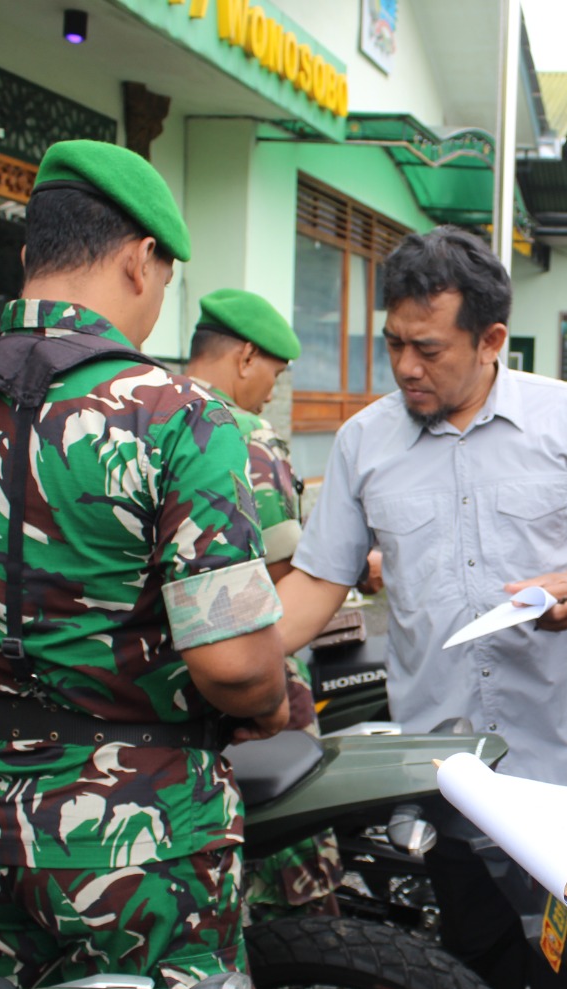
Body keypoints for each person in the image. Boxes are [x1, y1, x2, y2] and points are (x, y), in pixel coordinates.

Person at [0, 139, 288, 989]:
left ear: (29, 259)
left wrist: (13, 693)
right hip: (145, 829)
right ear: (139, 261)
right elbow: (234, 663)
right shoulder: (182, 419)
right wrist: (270, 700)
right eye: (166, 281)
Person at [275, 225, 567, 989]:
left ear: (489, 342)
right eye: (394, 344)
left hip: (566, 759)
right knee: (467, 972)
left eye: (429, 349)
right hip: (446, 766)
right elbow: (314, 586)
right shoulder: (365, 442)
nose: (407, 367)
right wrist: (230, 651)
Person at [182, 286, 342, 918]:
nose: (272, 389)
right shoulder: (246, 435)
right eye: (273, 372)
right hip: (253, 664)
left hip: (174, 680)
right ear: (245, 357)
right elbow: (284, 577)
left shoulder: (147, 415)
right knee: (296, 829)